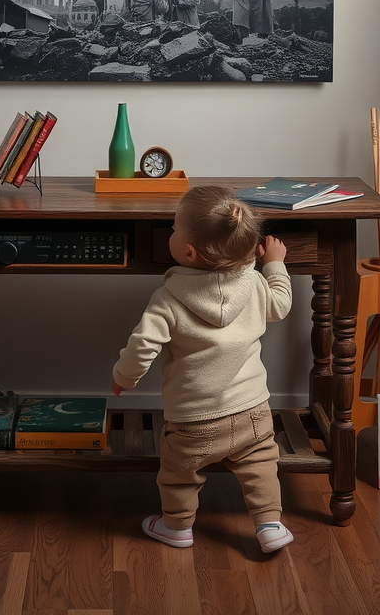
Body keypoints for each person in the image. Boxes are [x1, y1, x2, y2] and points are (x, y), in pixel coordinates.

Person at [111, 185, 294, 554]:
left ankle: (176, 527)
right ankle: (269, 524)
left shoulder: (168, 298)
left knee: (178, 476)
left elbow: (142, 345)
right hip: (253, 411)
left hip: (194, 420)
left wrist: (122, 378)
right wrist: (274, 263)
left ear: (188, 251)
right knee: (262, 467)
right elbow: (281, 306)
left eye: (174, 228)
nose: (172, 233)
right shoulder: (255, 282)